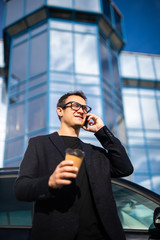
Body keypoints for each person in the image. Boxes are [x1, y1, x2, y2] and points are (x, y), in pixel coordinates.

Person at [14, 91, 133, 240]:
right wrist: (49, 182)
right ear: (60, 110)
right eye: (75, 105)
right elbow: (21, 188)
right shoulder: (39, 144)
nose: (81, 110)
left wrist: (102, 132)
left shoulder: (96, 152)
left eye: (84, 108)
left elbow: (125, 168)